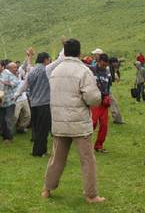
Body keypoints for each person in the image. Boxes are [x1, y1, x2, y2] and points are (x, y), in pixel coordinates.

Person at [42, 38, 104, 203]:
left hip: (59, 121)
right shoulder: (83, 71)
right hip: (79, 123)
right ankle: (91, 195)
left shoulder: (55, 71)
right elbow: (93, 98)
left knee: (57, 158)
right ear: (79, 52)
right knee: (87, 159)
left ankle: (47, 189)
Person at [90, 54, 112, 153]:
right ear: (98, 61)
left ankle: (99, 145)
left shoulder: (107, 71)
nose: (104, 67)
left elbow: (108, 85)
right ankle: (85, 143)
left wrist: (107, 96)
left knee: (104, 125)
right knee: (93, 123)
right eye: (102, 64)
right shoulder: (91, 69)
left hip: (104, 102)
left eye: (105, 65)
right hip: (95, 101)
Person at [0, 62, 21, 141]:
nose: (16, 69)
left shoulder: (9, 74)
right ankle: (5, 136)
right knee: (2, 120)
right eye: (14, 67)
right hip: (0, 101)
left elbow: (16, 82)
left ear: (3, 67)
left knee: (8, 119)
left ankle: (9, 137)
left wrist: (7, 83)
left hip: (9, 101)